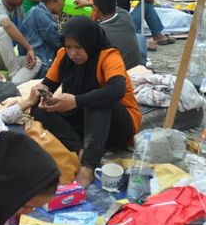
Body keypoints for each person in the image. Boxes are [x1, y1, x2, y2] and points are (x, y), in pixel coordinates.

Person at [31, 17, 141, 187]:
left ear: (90, 44)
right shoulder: (63, 55)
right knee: (39, 109)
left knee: (97, 99)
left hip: (118, 125)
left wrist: (76, 101)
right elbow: (49, 84)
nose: (73, 53)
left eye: (78, 48)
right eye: (69, 47)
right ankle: (80, 149)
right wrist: (42, 92)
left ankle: (87, 167)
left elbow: (116, 90)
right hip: (85, 125)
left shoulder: (108, 55)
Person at [21, 0, 67, 76]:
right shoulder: (42, 16)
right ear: (54, 0)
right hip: (41, 61)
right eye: (63, 1)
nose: (63, 5)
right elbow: (57, 42)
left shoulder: (37, 10)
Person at [92, 0, 142, 70]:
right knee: (140, 38)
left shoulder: (98, 32)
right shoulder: (125, 15)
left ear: (96, 9)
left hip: (119, 75)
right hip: (136, 67)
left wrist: (92, 19)